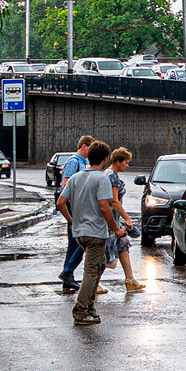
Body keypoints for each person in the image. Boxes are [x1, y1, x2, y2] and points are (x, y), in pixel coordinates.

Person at [56, 142, 127, 325]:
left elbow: (60, 202)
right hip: (95, 232)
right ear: (105, 159)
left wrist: (71, 220)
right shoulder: (102, 179)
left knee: (100, 264)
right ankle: (81, 312)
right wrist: (116, 229)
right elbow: (104, 207)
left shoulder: (76, 177)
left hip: (79, 232)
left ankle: (89, 308)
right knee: (91, 272)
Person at [104, 147, 145, 293]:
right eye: (125, 162)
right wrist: (127, 219)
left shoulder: (111, 174)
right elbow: (114, 201)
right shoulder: (111, 176)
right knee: (107, 257)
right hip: (108, 221)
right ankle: (92, 283)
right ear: (117, 162)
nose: (127, 166)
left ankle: (130, 279)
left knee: (123, 243)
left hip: (113, 220)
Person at [58, 135, 94, 294]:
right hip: (75, 207)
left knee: (74, 244)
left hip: (78, 206)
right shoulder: (73, 162)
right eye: (90, 148)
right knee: (84, 241)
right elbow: (66, 185)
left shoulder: (83, 162)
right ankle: (67, 272)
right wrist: (75, 206)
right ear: (84, 146)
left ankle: (67, 279)